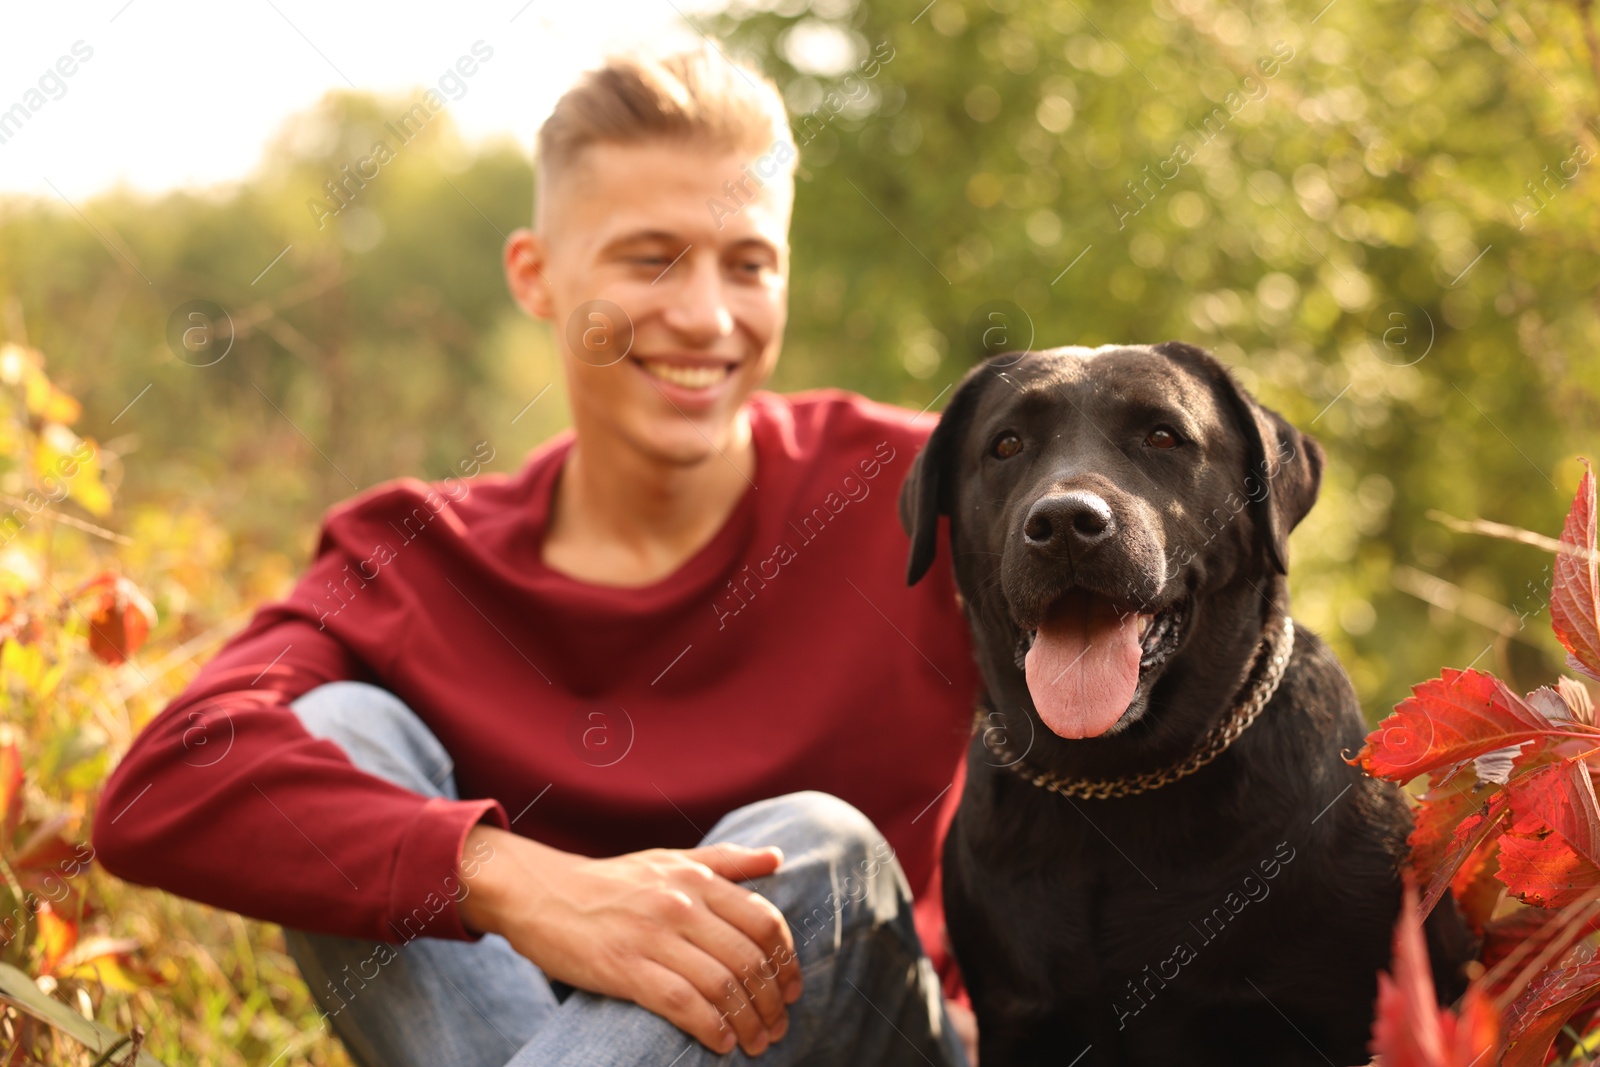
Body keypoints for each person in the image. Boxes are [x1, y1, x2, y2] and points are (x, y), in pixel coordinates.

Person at [93, 45, 981, 1067]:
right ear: (535, 275)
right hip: (527, 1037)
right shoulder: (423, 554)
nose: (705, 315)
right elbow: (160, 782)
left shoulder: (925, 487)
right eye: (650, 258)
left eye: (748, 262)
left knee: (812, 847)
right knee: (336, 729)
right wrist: (510, 877)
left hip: (884, 1042)